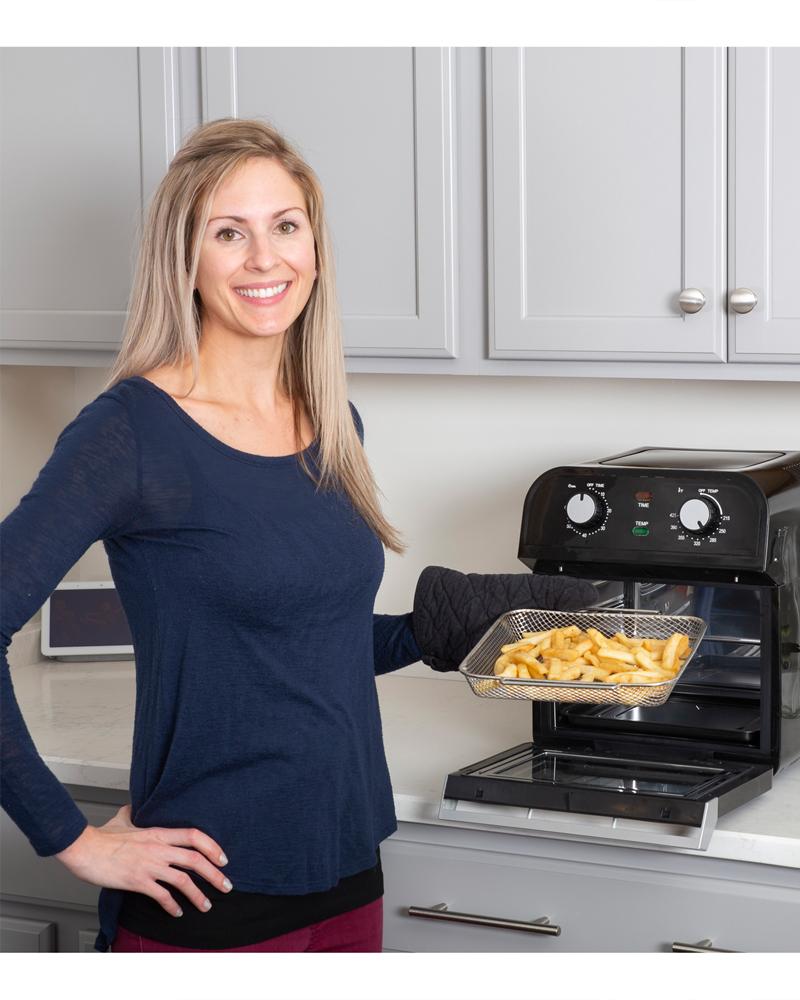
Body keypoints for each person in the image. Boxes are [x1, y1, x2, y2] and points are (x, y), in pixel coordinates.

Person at [0, 118, 597, 953]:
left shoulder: (330, 420)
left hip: (349, 863)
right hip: (211, 890)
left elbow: (298, 644)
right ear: (184, 259)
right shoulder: (131, 432)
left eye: (285, 226)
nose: (264, 258)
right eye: (228, 233)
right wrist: (71, 838)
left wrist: (437, 630)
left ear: (314, 247)